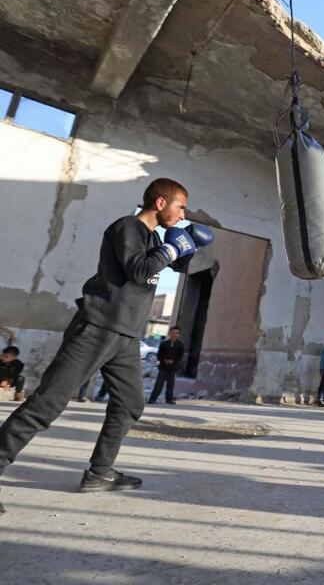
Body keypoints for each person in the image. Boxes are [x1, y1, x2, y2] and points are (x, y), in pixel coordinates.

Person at [0, 178, 214, 513]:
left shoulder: (155, 237)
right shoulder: (127, 227)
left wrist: (187, 249)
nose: (183, 213)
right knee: (46, 405)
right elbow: (140, 270)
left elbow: (171, 264)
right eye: (180, 206)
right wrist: (173, 248)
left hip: (126, 336)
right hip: (97, 327)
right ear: (160, 203)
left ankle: (100, 472)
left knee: (130, 404)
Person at [147, 327, 185, 405]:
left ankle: (169, 399)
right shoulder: (164, 344)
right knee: (159, 384)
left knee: (170, 384)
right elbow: (159, 354)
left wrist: (173, 361)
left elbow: (180, 356)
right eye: (173, 332)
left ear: (179, 335)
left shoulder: (180, 345)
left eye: (176, 333)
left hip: (172, 368)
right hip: (163, 367)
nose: (174, 334)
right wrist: (164, 360)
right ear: (170, 333)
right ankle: (152, 399)